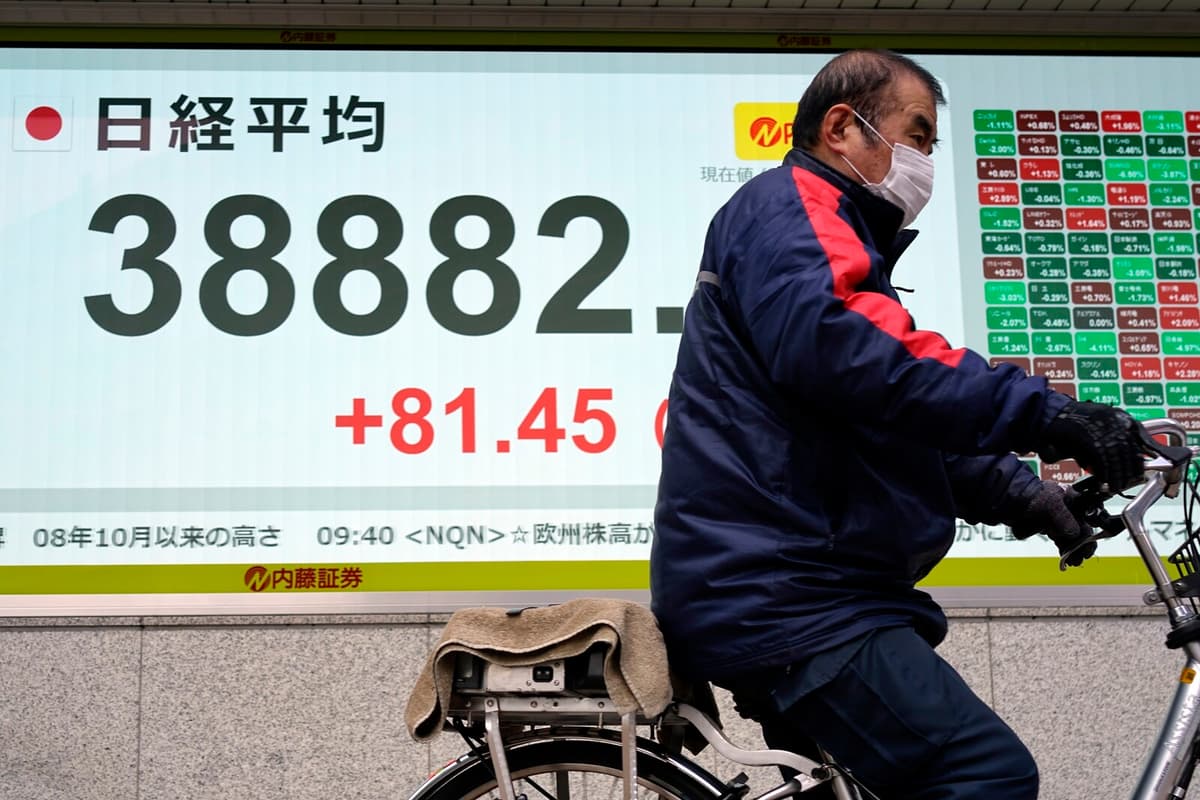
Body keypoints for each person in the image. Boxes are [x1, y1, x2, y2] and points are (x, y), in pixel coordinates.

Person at [650, 49, 1148, 800]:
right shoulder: (790, 210)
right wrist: (1050, 415)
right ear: (843, 128)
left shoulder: (836, 237)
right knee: (983, 772)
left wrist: (1027, 498)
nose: (924, 161)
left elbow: (886, 423)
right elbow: (858, 354)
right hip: (788, 592)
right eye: (916, 135)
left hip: (787, 586)